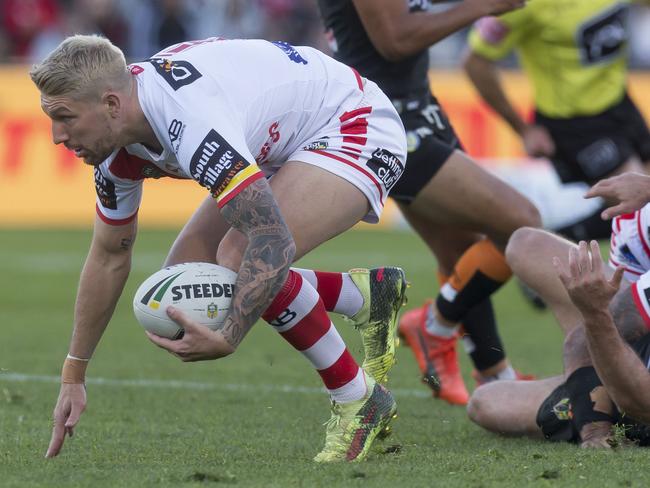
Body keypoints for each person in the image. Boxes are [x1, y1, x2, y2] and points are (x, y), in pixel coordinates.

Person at [32, 34, 411, 462]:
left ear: (112, 105)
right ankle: (361, 295)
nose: (56, 136)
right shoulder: (115, 148)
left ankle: (357, 397)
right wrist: (73, 372)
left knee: (240, 254)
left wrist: (230, 335)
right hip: (281, 135)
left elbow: (272, 240)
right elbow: (108, 255)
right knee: (181, 280)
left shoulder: (190, 119)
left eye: (65, 118)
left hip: (352, 122)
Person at [316, 0, 541, 406]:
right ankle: (433, 324)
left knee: (463, 254)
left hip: (418, 107)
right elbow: (396, 40)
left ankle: (496, 378)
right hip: (384, 120)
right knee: (520, 222)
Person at [464, 0, 650, 244]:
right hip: (575, 125)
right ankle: (539, 254)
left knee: (641, 208)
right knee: (643, 207)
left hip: (620, 103)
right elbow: (475, 62)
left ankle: (552, 245)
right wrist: (524, 130)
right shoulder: (524, 4)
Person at [468, 225, 650, 447]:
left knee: (488, 403)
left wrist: (597, 427)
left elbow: (640, 405)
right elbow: (581, 339)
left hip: (636, 400)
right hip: (624, 363)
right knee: (485, 402)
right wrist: (596, 314)